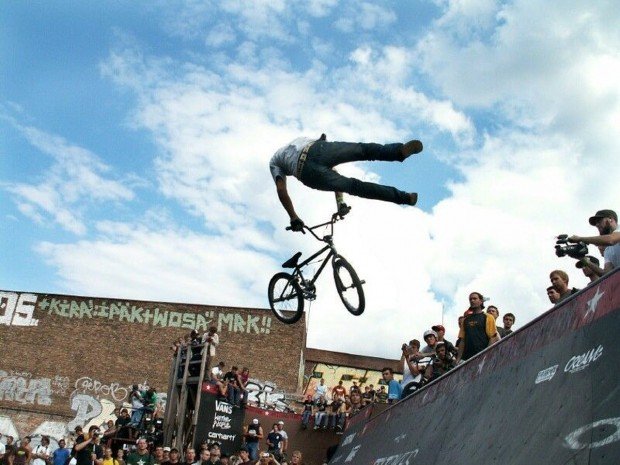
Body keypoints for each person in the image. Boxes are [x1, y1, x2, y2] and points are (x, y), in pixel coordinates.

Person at [269, 136, 423, 231]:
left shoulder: (275, 161)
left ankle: (404, 198)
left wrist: (293, 217)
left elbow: (281, 189)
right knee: (363, 150)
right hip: (317, 148)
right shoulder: (301, 140)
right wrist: (340, 202)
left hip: (307, 174)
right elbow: (332, 170)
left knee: (355, 187)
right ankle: (398, 152)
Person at [456, 292, 500, 363]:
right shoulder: (465, 320)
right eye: (470, 299)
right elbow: (462, 340)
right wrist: (458, 359)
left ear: (481, 301)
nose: (472, 300)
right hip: (466, 359)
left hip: (482, 358)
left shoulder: (488, 317)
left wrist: (485, 355)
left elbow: (493, 337)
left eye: (475, 298)